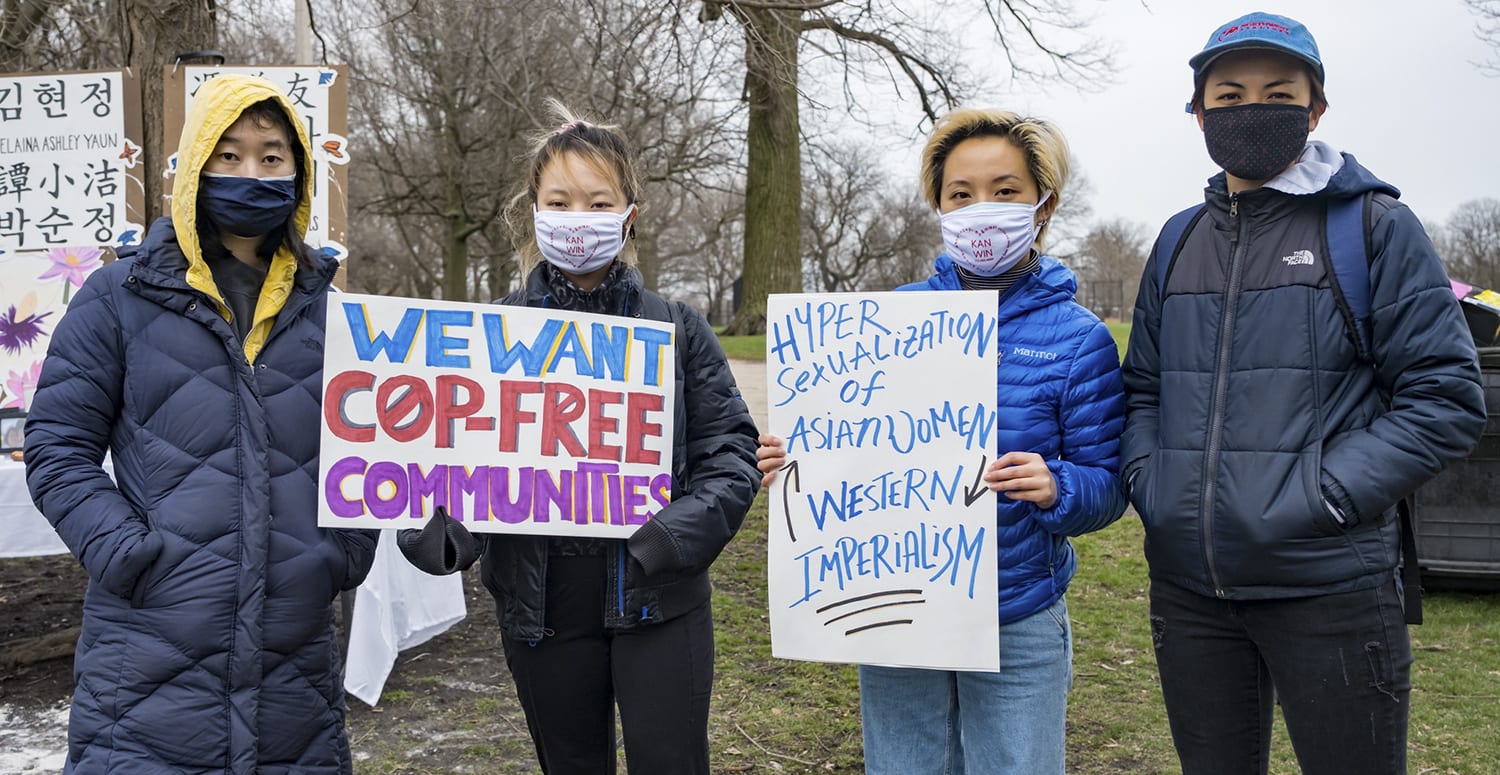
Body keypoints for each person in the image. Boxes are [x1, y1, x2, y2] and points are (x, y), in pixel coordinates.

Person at [1120, 12, 1486, 775]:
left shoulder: (1374, 226)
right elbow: (1145, 387)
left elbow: (1445, 397)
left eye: (1277, 91)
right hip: (1190, 594)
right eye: (1227, 94)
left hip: (1330, 586)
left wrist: (1321, 495)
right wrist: (1150, 483)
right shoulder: (1178, 240)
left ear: (1315, 109)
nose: (1251, 108)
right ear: (1197, 113)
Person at [24, 74, 377, 773]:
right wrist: (127, 551)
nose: (252, 172)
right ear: (193, 169)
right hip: (147, 671)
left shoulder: (337, 316)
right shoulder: (118, 296)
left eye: (273, 156)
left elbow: (370, 457)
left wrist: (343, 552)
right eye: (229, 154)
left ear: (299, 175)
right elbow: (57, 448)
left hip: (293, 677)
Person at [757, 108, 1126, 774]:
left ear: (1044, 204)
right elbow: (851, 443)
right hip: (898, 605)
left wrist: (1059, 486)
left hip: (1018, 615)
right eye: (961, 193)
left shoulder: (1078, 338)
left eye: (1005, 190)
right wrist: (797, 458)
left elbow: (1108, 485)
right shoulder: (888, 321)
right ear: (939, 204)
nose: (981, 208)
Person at [395, 104, 760, 775]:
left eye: (597, 200)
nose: (578, 216)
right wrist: (439, 531)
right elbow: (451, 469)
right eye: (559, 200)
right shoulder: (488, 335)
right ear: (533, 210)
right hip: (541, 607)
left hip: (661, 596)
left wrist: (668, 537)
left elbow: (731, 456)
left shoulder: (679, 328)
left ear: (629, 214)